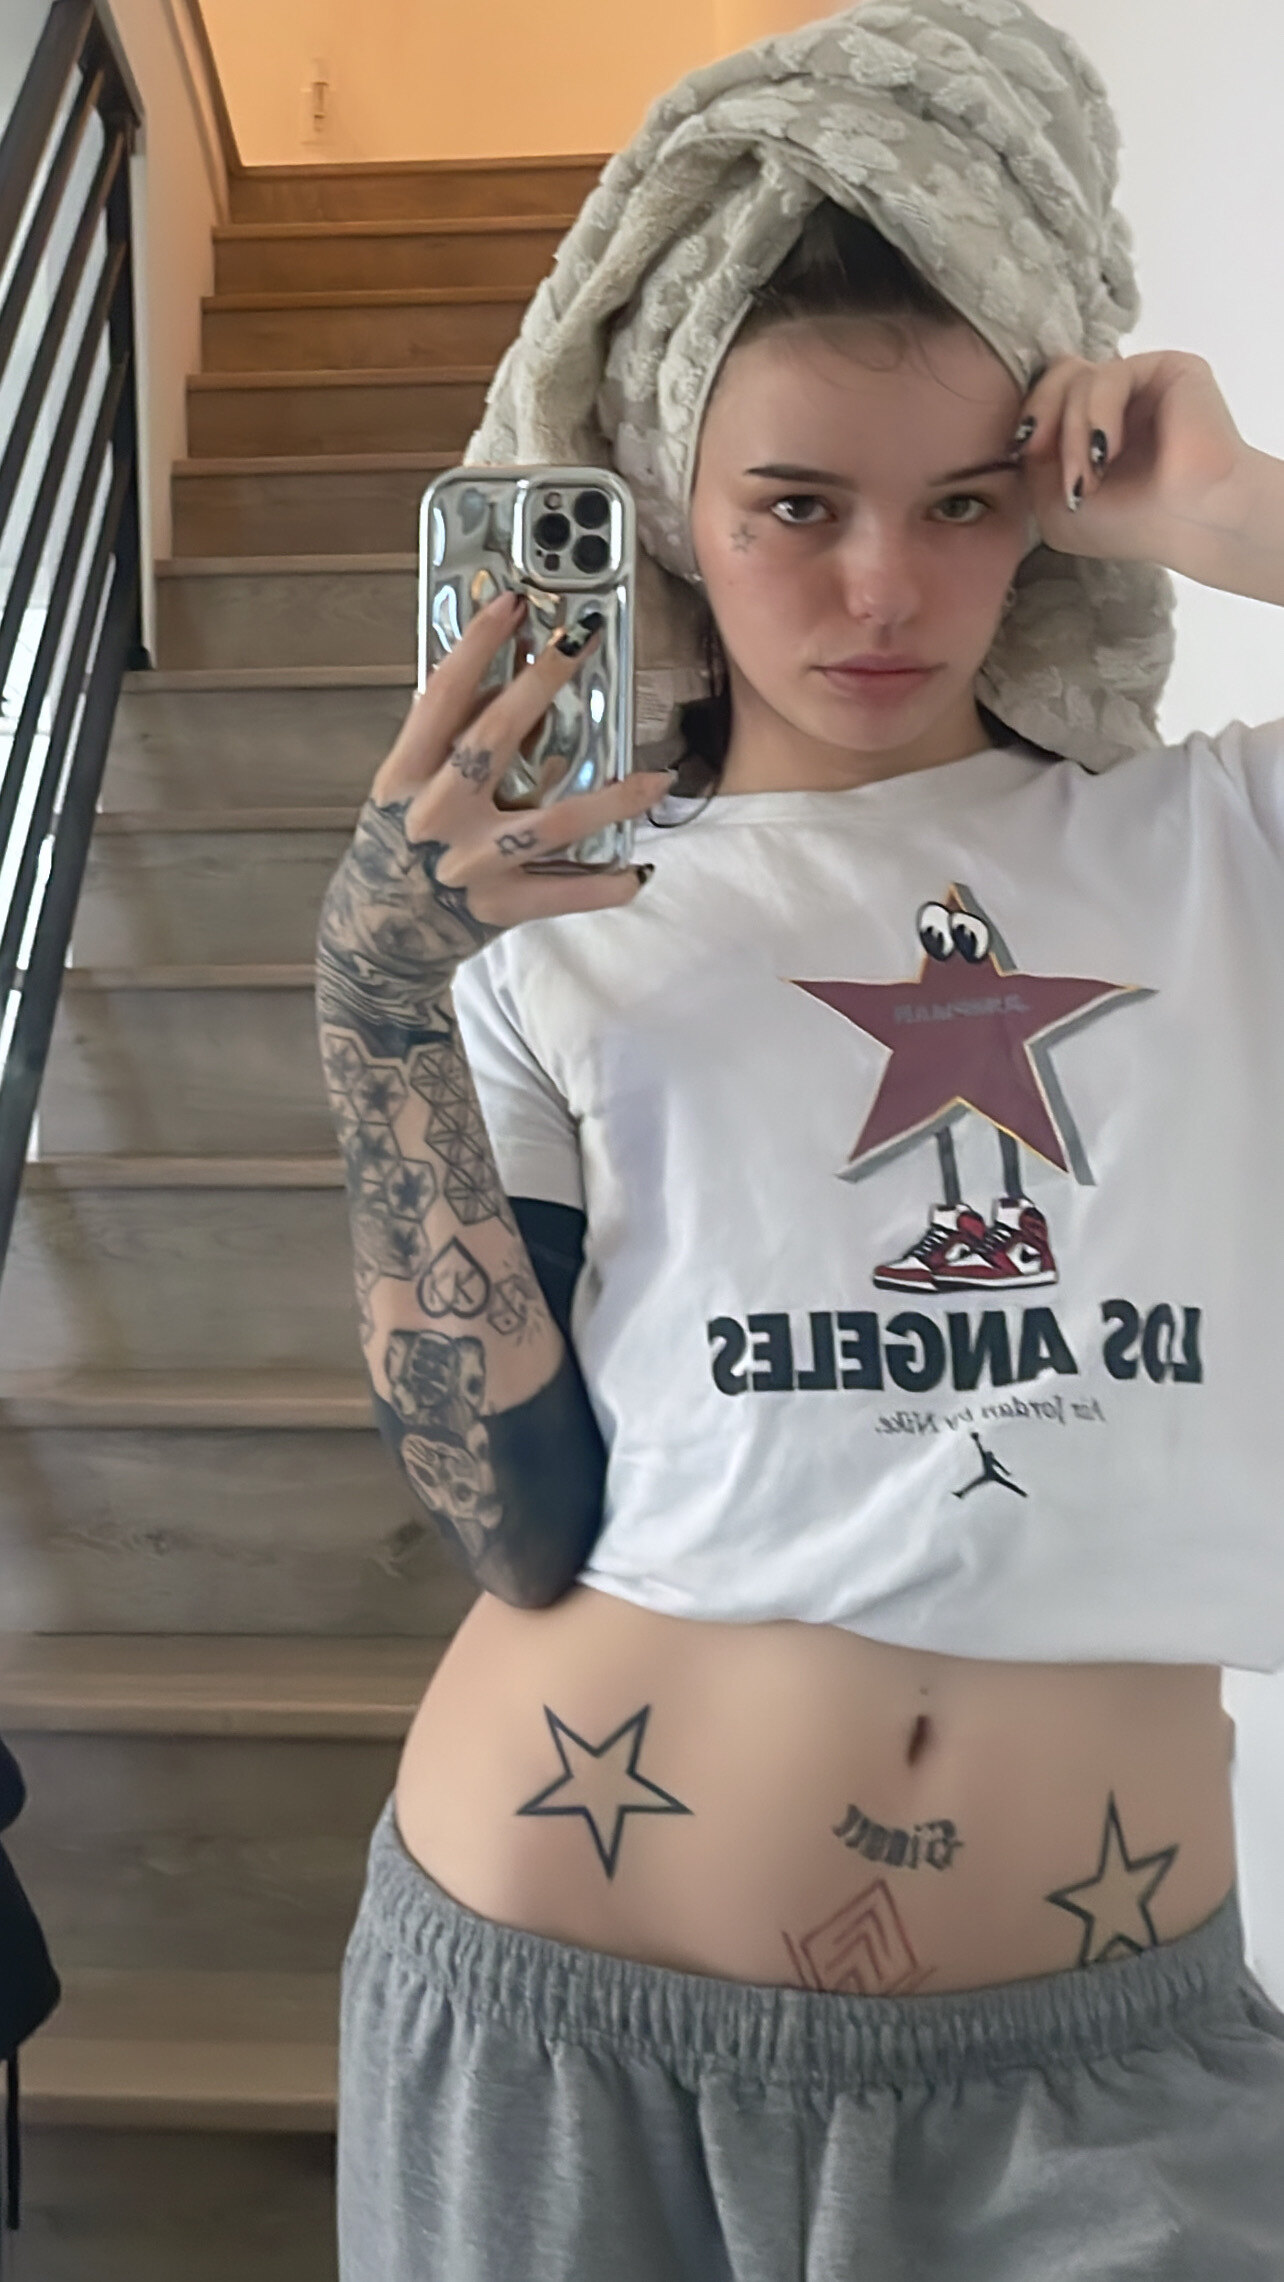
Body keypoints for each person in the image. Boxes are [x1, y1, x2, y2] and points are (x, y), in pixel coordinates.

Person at [320, 5, 1284, 2274]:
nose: (883, 591)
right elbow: (518, 1524)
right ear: (673, 499)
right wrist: (378, 1008)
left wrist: (1236, 508)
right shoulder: (561, 919)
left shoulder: (1218, 845)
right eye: (796, 506)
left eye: (961, 502)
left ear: (1050, 491)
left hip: (1091, 2064)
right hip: (554, 2012)